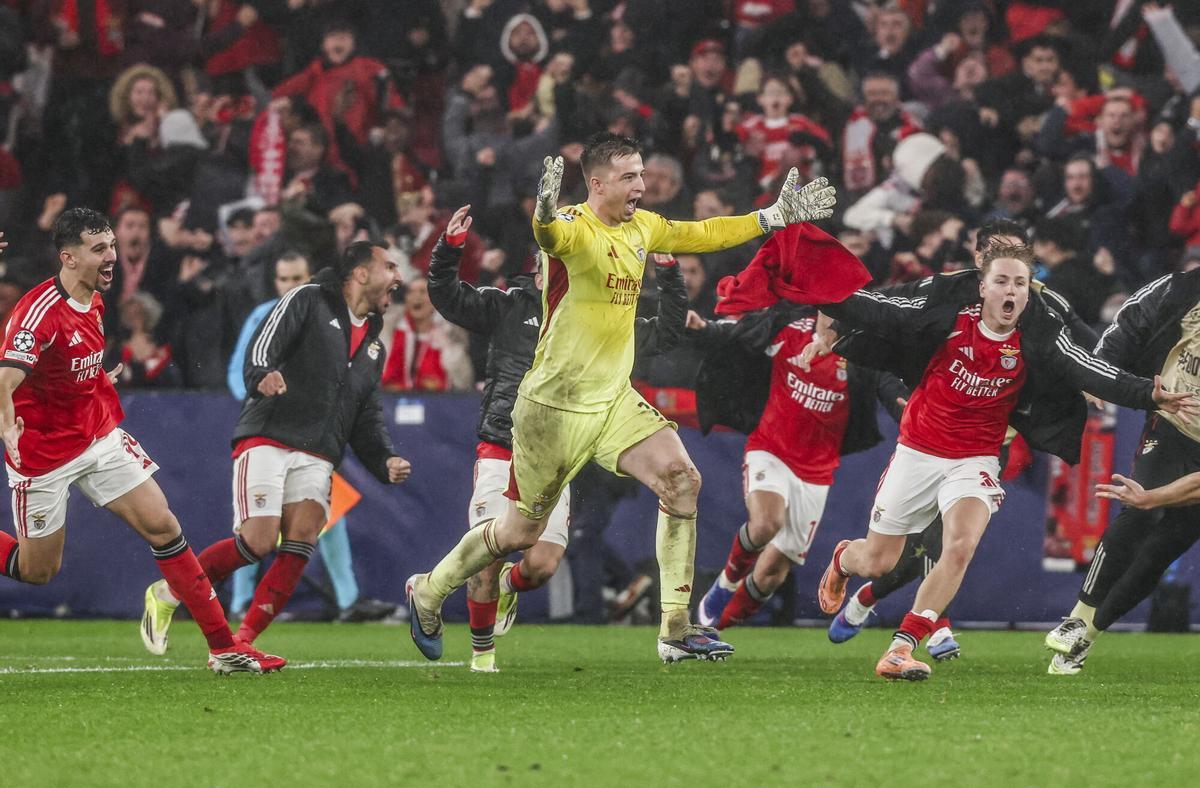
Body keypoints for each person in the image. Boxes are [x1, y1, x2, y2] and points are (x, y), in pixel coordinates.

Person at [405, 131, 836, 664]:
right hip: (551, 409)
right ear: (598, 183)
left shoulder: (643, 227)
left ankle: (676, 629)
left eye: (642, 174)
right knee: (520, 533)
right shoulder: (573, 227)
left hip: (611, 400)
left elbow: (703, 233)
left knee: (682, 481)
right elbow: (551, 236)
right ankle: (429, 589)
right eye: (630, 176)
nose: (642, 184)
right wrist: (542, 215)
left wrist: (770, 218)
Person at [810, 244, 1196, 681]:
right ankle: (845, 560)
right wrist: (820, 299)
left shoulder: (1039, 336)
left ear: (1028, 292)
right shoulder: (944, 318)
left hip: (975, 457)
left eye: (1019, 283)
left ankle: (902, 646)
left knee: (958, 546)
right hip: (918, 450)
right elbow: (879, 313)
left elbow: (1090, 369)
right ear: (982, 287)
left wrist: (1147, 393)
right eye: (1001, 281)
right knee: (878, 561)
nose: (1010, 291)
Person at [0, 210, 282, 674]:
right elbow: (6, 381)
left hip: (97, 435)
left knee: (164, 526)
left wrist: (95, 380)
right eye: (99, 250)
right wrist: (8, 426)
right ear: (68, 258)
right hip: (43, 455)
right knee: (38, 571)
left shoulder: (93, 298)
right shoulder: (37, 315)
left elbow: (66, 370)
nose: (111, 257)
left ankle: (223, 648)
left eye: (111, 246)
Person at [427, 204, 686, 672]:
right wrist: (449, 250)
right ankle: (482, 657)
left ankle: (499, 590)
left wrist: (668, 272)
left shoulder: (599, 320)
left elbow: (667, 335)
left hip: (556, 454)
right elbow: (448, 298)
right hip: (502, 446)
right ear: (540, 270)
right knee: (490, 555)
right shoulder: (511, 306)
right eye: (556, 265)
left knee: (542, 566)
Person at [140, 241, 413, 652]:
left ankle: (242, 642)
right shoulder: (308, 298)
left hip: (319, 450)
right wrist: (262, 373)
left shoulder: (375, 346)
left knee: (302, 539)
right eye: (390, 267)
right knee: (258, 540)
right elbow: (263, 344)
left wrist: (384, 458)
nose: (398, 277)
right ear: (360, 273)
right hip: (269, 435)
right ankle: (169, 593)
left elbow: (366, 415)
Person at [690, 303, 905, 631]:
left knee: (771, 573)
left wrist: (905, 409)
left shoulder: (861, 353)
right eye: (833, 307)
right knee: (765, 524)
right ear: (820, 307)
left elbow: (888, 383)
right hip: (771, 449)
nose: (838, 317)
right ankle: (725, 584)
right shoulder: (789, 328)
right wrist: (705, 329)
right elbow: (741, 333)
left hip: (816, 470)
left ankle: (713, 630)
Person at [224, 251, 396, 624]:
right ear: (276, 282)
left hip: (313, 436)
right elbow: (241, 369)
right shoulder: (272, 312)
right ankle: (238, 600)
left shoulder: (329, 311)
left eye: (297, 277)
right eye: (284, 279)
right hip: (270, 430)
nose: (291, 285)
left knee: (325, 518)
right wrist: (265, 392)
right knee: (256, 530)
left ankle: (347, 599)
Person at [1045, 264, 1200, 674]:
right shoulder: (1185, 285)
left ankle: (1086, 636)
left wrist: (1154, 498)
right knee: (1138, 515)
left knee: (1164, 549)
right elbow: (1133, 317)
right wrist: (1102, 369)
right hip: (1173, 423)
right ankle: (1078, 616)